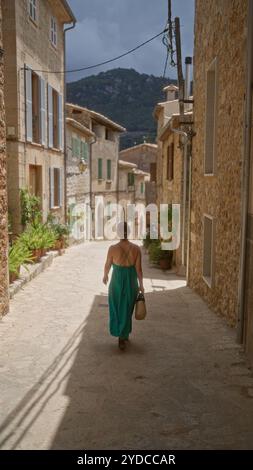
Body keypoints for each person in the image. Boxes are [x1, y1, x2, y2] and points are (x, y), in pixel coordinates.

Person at [103, 221, 144, 351]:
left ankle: (121, 335)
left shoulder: (112, 249)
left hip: (116, 282)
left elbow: (107, 265)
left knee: (116, 307)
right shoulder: (136, 249)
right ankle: (124, 334)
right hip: (131, 282)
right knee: (127, 309)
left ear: (118, 233)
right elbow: (139, 270)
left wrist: (105, 276)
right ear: (129, 232)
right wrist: (141, 285)